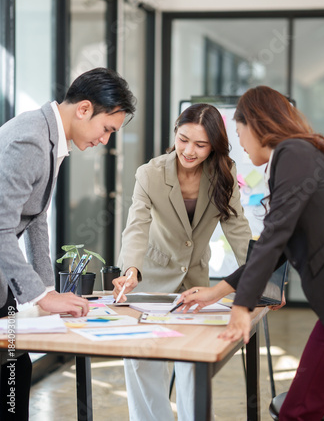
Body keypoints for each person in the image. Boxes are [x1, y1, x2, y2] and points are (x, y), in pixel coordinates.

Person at [178, 86, 324, 421]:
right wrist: (219, 291)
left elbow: (275, 235)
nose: (242, 147)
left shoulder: (293, 152)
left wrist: (242, 306)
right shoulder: (300, 153)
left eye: (239, 133)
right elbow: (278, 244)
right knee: (300, 406)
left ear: (256, 124)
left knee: (297, 410)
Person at [0, 67, 136, 420]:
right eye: (107, 129)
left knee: (14, 373)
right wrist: (41, 296)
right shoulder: (30, 139)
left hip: (6, 278)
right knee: (11, 377)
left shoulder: (51, 138)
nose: (105, 141)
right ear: (84, 109)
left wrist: (47, 291)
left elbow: (36, 220)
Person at [112, 103, 252, 421]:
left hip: (195, 287)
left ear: (213, 146)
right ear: (175, 132)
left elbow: (239, 231)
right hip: (149, 280)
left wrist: (262, 281)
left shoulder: (223, 176)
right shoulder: (150, 174)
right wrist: (131, 268)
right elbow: (136, 226)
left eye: (200, 145)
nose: (189, 150)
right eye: (183, 139)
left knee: (193, 367)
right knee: (143, 365)